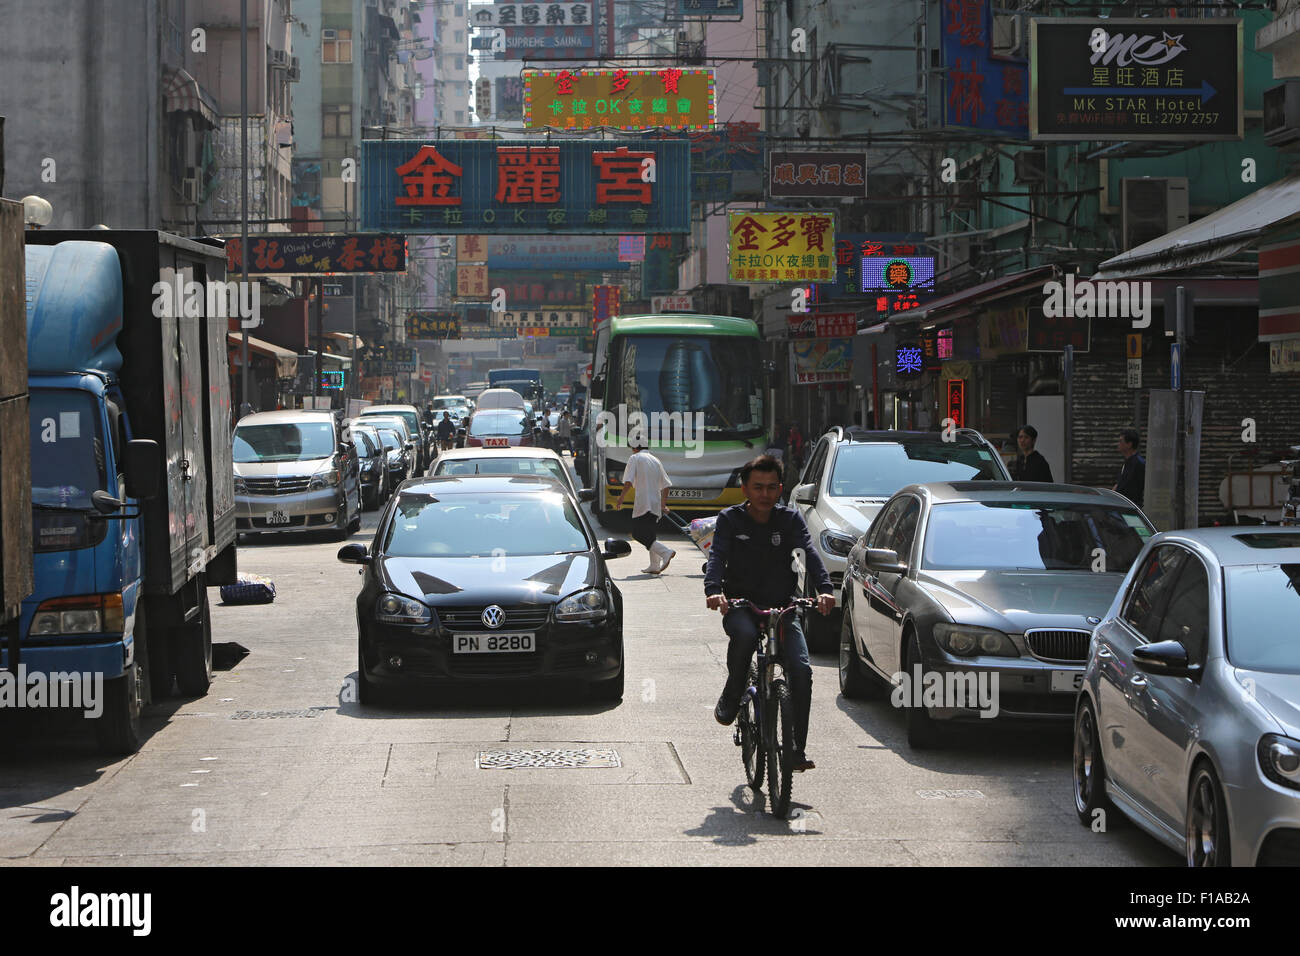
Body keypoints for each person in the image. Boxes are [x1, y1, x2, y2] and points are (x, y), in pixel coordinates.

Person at [705, 455, 835, 773]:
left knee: (801, 671)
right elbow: (717, 556)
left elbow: (809, 552)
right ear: (745, 489)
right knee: (746, 636)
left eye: (772, 487)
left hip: (783, 607)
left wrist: (824, 589)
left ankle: (795, 749)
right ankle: (734, 691)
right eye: (758, 487)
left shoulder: (790, 520)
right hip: (741, 605)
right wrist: (713, 590)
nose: (765, 494)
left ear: (780, 489)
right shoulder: (729, 520)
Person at [615, 440, 675, 574]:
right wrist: (662, 504)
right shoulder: (655, 460)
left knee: (638, 533)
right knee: (650, 533)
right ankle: (654, 565)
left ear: (636, 447)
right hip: (654, 504)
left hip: (644, 503)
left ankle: (666, 552)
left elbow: (628, 481)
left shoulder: (635, 458)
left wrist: (621, 497)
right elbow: (666, 485)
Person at [1113, 428, 1146, 506]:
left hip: (1130, 507)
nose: (1118, 444)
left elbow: (1127, 488)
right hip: (1122, 504)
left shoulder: (1138, 463)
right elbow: (1119, 484)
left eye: (1121, 441)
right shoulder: (1128, 462)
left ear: (1129, 444)